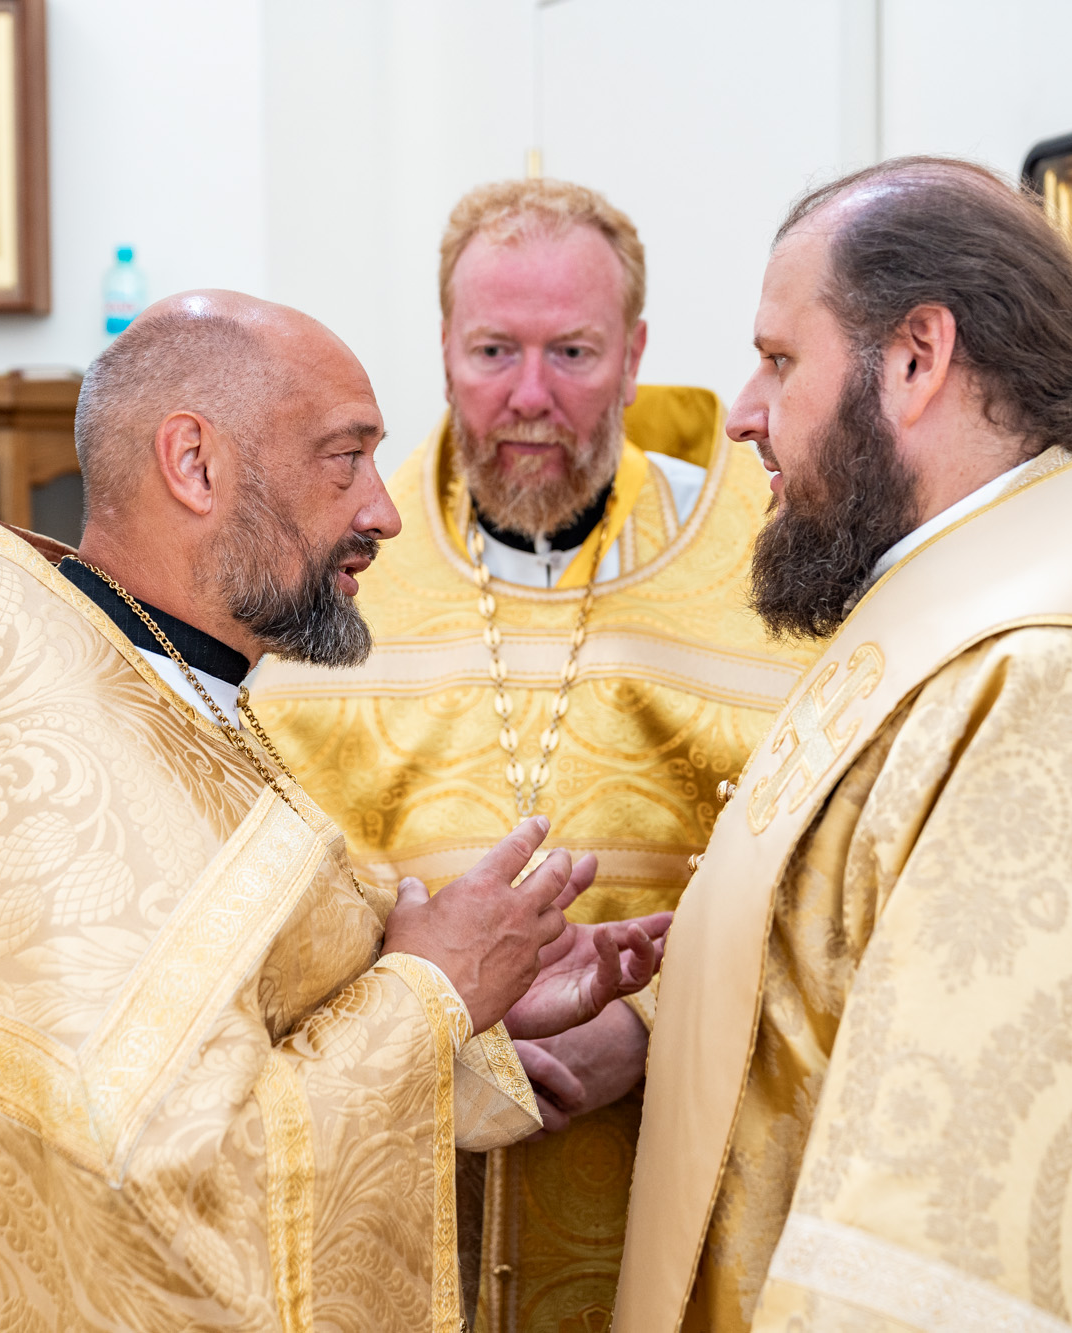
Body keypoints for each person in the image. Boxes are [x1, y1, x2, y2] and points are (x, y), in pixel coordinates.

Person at [615, 159, 1072, 1333]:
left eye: (780, 359)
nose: (743, 411)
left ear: (915, 358)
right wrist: (650, 1026)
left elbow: (974, 1253)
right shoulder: (956, 644)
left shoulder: (1055, 691)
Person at [0, 291, 667, 1332]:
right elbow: (174, 1194)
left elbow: (244, 1040)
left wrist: (477, 1003)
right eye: (345, 458)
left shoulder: (165, 697)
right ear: (195, 464)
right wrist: (429, 988)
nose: (383, 513)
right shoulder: (60, 776)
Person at [251, 178, 812, 1330]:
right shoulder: (331, 577)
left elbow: (821, 872)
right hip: (402, 1190)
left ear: (634, 354)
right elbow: (267, 888)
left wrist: (648, 1026)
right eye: (493, 351)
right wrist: (436, 1004)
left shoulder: (764, 567)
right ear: (443, 350)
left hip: (670, 1168)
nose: (529, 396)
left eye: (572, 353)